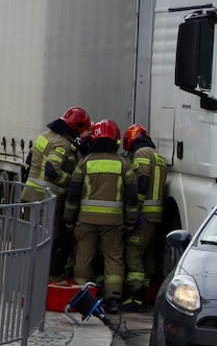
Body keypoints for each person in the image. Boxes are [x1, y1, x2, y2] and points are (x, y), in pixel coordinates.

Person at [64, 119, 138, 314]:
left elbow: (73, 194)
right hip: (114, 223)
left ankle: (83, 297)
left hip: (86, 221)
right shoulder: (124, 164)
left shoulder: (84, 162)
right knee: (114, 259)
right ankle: (113, 299)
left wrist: (69, 219)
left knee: (83, 258)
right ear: (115, 140)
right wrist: (130, 221)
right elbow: (131, 197)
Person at [21, 106, 92, 282]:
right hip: (46, 200)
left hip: (30, 195)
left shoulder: (44, 136)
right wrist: (73, 180)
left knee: (32, 240)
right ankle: (41, 281)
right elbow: (52, 170)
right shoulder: (63, 142)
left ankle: (29, 279)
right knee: (46, 243)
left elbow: (30, 161)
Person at [120, 124, 168, 312]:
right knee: (146, 256)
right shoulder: (159, 157)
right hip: (156, 216)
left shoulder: (141, 154)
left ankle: (136, 296)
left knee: (133, 251)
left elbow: (142, 181)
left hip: (144, 214)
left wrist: (134, 211)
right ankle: (145, 296)